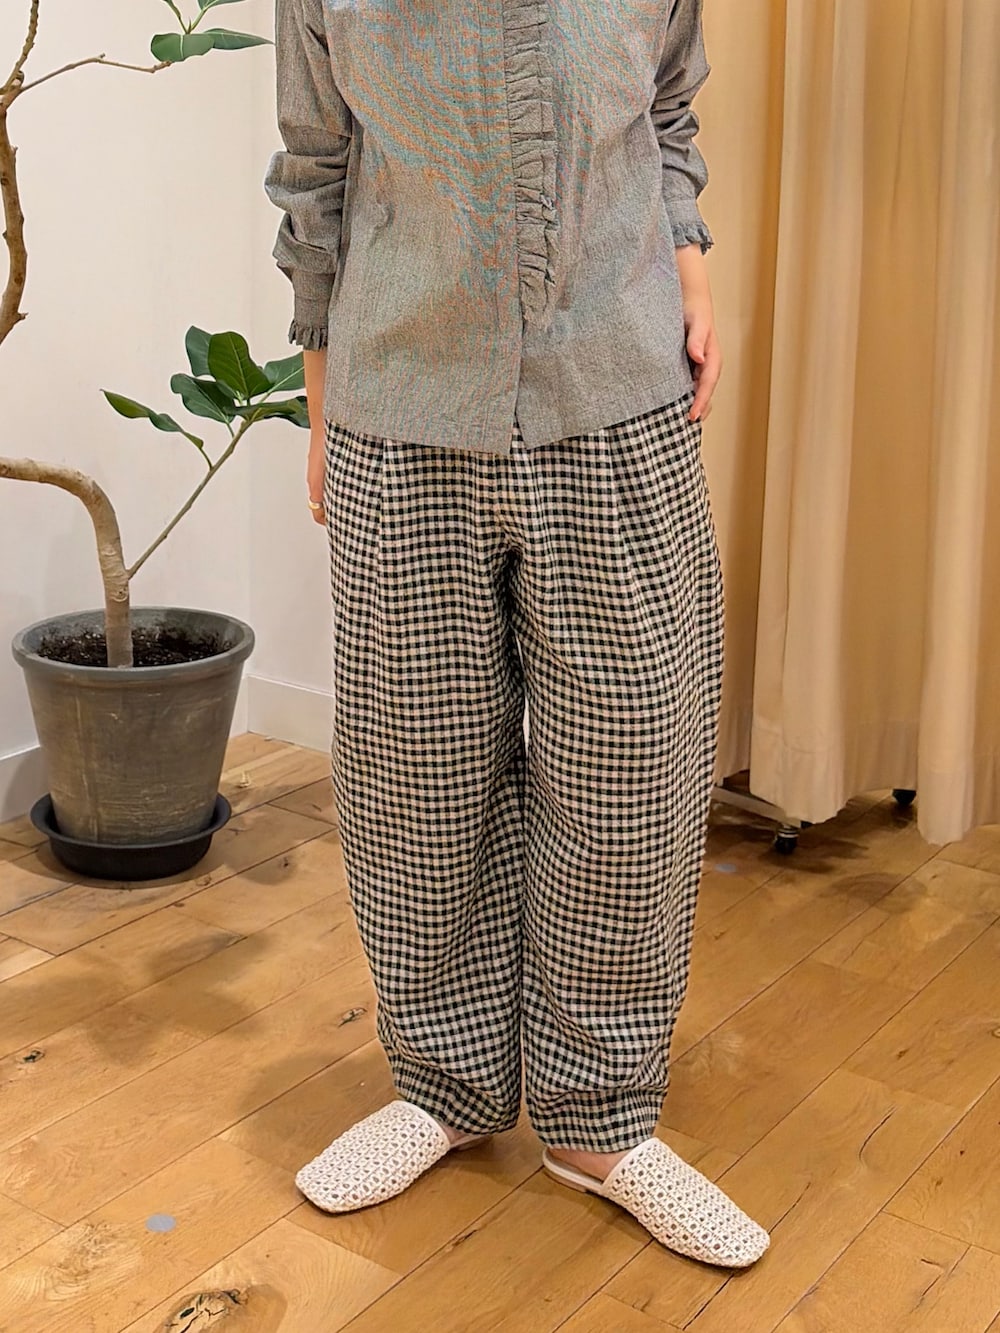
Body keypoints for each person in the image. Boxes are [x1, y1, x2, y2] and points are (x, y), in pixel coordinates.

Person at [265, 0, 769, 1269]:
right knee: (414, 776)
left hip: (619, 397)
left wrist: (690, 272)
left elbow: (663, 110)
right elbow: (316, 169)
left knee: (632, 769)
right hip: (398, 406)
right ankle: (443, 1086)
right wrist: (323, 406)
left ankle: (599, 1120)